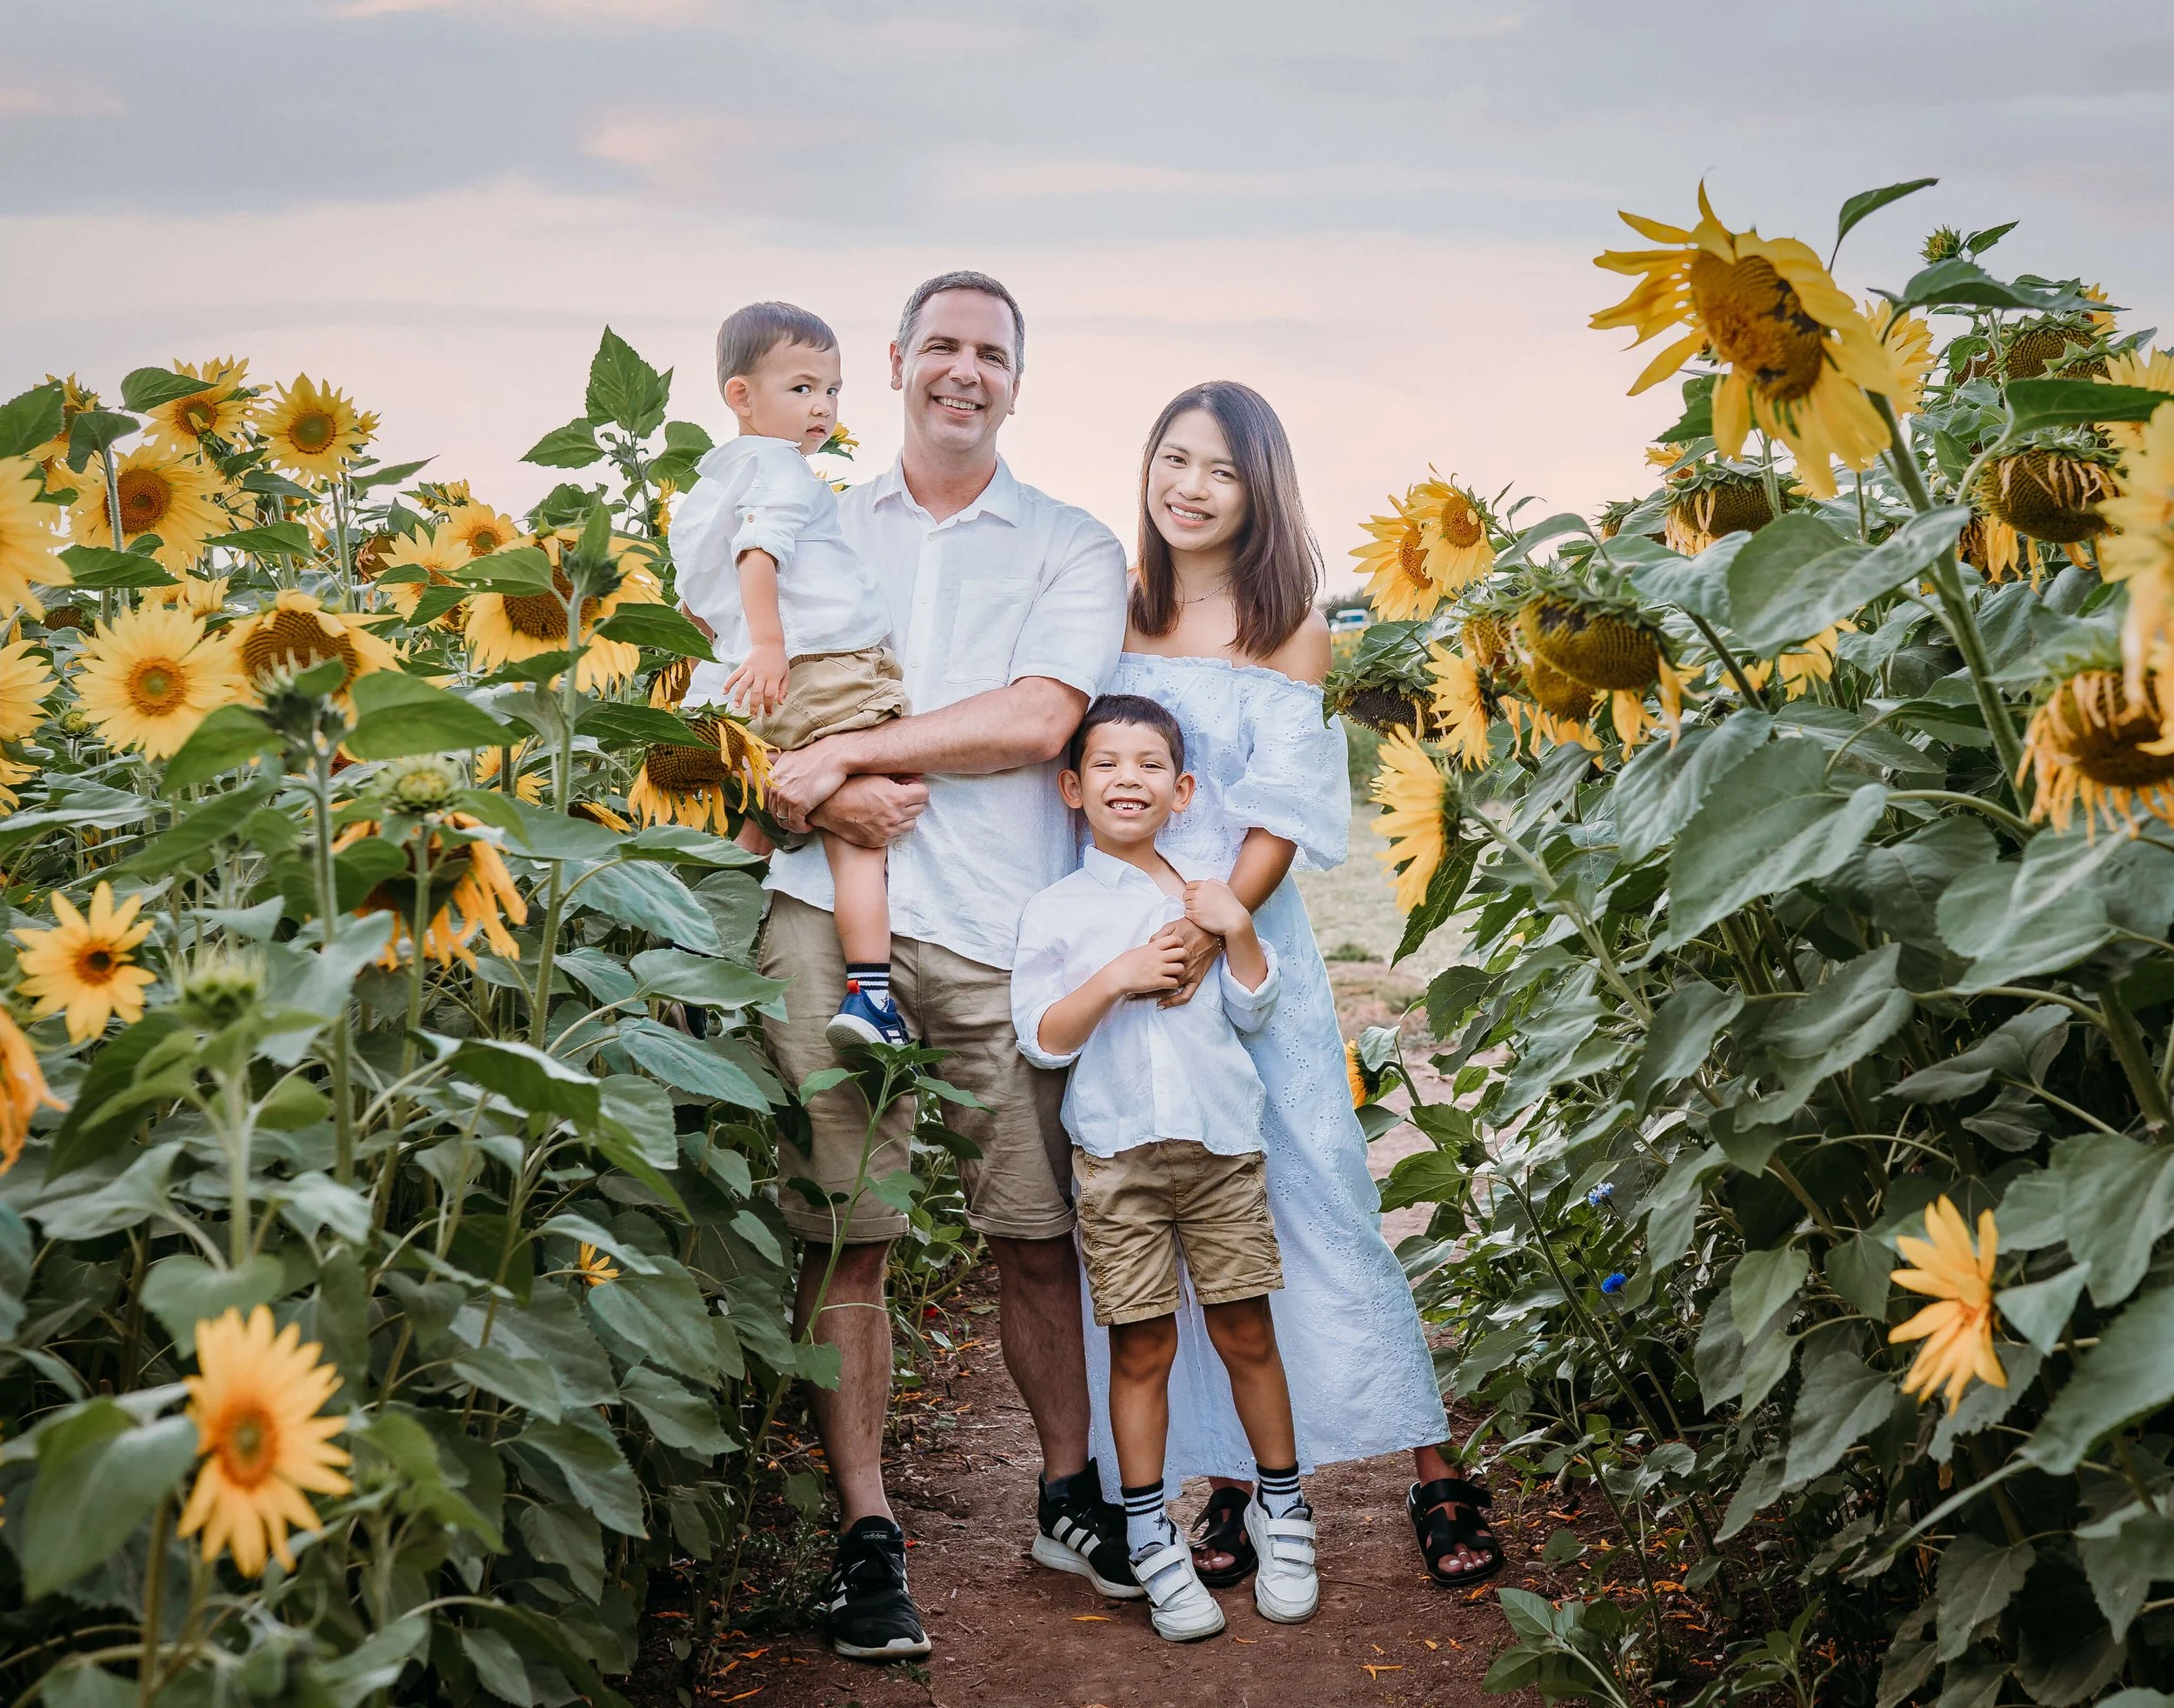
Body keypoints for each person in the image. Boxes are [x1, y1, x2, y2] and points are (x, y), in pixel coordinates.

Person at [753, 272, 1137, 1661]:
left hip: (999, 923)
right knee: (845, 1233)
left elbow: (1038, 720)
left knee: (1034, 1230)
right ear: (899, 362)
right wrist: (811, 793)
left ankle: (1067, 1496)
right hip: (820, 912)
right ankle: (867, 1540)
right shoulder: (809, 525)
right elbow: (744, 707)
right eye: (943, 348)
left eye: (994, 354)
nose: (964, 372)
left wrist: (850, 755)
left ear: (1018, 384)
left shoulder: (1073, 546)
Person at [1084, 381, 1504, 1591]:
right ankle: (1230, 1484)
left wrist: (1213, 935)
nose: (1191, 487)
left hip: (1247, 948)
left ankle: (1433, 1471)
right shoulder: (1111, 614)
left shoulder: (1289, 627)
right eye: (1173, 459)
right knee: (1179, 1206)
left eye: (1219, 469)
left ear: (1260, 491)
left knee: (1317, 1196)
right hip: (1134, 962)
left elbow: (1281, 808)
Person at [1012, 694, 1320, 1641]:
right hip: (1117, 1160)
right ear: (1072, 788)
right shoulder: (1057, 909)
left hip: (1221, 1147)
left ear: (1182, 790)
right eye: (1105, 764)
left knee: (1245, 1331)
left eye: (1149, 764)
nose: (1126, 780)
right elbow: (1042, 1040)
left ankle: (1285, 1510)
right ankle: (1149, 1534)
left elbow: (1256, 1010)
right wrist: (1113, 977)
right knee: (1141, 1345)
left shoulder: (1203, 892)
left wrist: (1236, 928)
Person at [675, 302, 911, 1052]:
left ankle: (695, 960)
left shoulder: (710, 486)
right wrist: (771, 642)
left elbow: (696, 600)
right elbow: (759, 553)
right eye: (803, 388)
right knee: (859, 841)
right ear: (740, 395)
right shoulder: (779, 469)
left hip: (755, 692)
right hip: (826, 672)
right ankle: (871, 995)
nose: (824, 408)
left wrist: (737, 652)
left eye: (834, 391)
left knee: (767, 818)